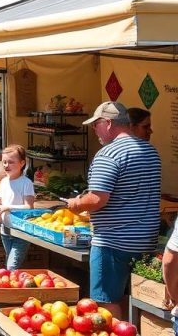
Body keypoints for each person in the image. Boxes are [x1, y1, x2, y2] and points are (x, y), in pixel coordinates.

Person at [65, 101, 161, 317]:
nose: (93, 129)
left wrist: (76, 204)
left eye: (95, 124)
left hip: (112, 241)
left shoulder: (108, 154)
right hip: (145, 240)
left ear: (108, 123)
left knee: (105, 302)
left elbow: (98, 199)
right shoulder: (151, 151)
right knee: (134, 298)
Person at [0, 145, 34, 270]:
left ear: (22, 163)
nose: (6, 165)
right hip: (6, 230)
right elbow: (0, 208)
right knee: (10, 261)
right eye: (4, 162)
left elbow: (29, 207)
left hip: (21, 231)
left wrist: (6, 207)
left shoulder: (26, 183)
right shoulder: (3, 182)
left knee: (11, 266)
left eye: (11, 162)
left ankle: (11, 288)